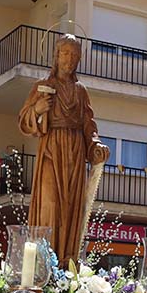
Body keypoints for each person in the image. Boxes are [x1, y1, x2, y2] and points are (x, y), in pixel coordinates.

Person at [19, 34, 111, 264]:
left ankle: (66, 262)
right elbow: (23, 120)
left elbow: (88, 123)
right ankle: (43, 262)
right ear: (56, 56)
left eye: (74, 55)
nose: (70, 59)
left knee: (71, 207)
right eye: (65, 53)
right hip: (51, 148)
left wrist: (95, 144)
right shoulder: (43, 87)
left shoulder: (81, 91)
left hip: (75, 152)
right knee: (50, 204)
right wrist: (38, 110)